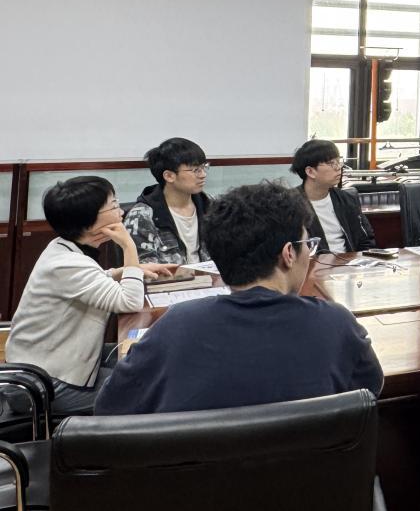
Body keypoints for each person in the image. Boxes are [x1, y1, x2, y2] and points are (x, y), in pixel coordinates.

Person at [96, 180, 382, 414]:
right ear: (288, 253)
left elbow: (110, 407)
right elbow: (369, 391)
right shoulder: (335, 322)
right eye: (308, 243)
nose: (309, 252)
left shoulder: (176, 325)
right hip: (314, 468)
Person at [5, 177, 175, 415]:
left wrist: (127, 270)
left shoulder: (62, 247)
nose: (121, 211)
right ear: (88, 220)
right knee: (152, 389)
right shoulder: (66, 263)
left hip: (63, 363)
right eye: (113, 205)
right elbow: (130, 301)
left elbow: (92, 280)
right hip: (45, 385)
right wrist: (129, 248)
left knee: (145, 359)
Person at [125, 136, 214, 264]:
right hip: (172, 277)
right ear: (169, 176)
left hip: (212, 275)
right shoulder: (142, 216)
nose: (203, 174)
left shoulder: (210, 205)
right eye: (196, 170)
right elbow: (145, 268)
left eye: (204, 167)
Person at [289, 139, 376, 254]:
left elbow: (366, 240)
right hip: (313, 264)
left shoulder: (347, 199)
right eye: (331, 163)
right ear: (310, 172)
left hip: (349, 262)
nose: (338, 167)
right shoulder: (289, 204)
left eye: (339, 161)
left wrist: (360, 262)